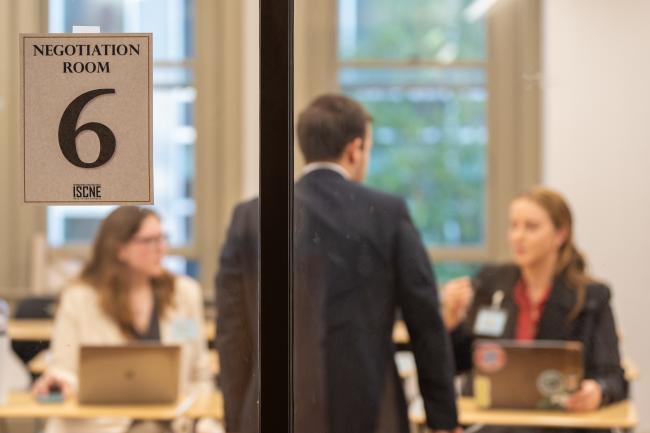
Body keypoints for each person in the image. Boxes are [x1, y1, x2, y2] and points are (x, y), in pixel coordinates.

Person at [216, 94, 458, 433]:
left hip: (276, 409)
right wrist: (443, 418)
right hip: (370, 409)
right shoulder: (387, 214)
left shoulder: (252, 215)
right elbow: (426, 321)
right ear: (355, 149)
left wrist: (237, 420)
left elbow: (232, 333)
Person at [442, 187, 628, 418]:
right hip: (497, 422)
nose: (518, 236)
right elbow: (460, 363)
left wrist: (598, 391)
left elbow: (614, 379)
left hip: (562, 425)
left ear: (560, 235)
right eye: (514, 226)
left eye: (531, 227)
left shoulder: (591, 297)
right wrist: (450, 320)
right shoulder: (490, 283)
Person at [32, 206, 217, 433]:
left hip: (173, 423)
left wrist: (196, 416)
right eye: (150, 241)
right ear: (120, 249)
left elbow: (199, 374)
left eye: (163, 238)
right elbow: (63, 368)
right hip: (102, 424)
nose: (162, 248)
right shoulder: (79, 298)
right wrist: (57, 383)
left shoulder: (185, 294)